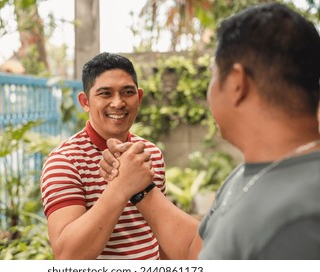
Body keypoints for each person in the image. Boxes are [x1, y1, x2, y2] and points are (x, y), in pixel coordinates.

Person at [99, 2, 320, 259]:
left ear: (238, 83)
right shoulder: (247, 174)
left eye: (213, 75)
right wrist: (140, 189)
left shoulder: (300, 222)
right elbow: (199, 251)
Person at [40, 52, 166, 259]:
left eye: (127, 92)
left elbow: (162, 233)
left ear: (139, 97)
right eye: (105, 94)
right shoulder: (64, 162)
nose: (118, 103)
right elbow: (67, 256)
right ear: (85, 101)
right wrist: (121, 187)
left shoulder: (150, 153)